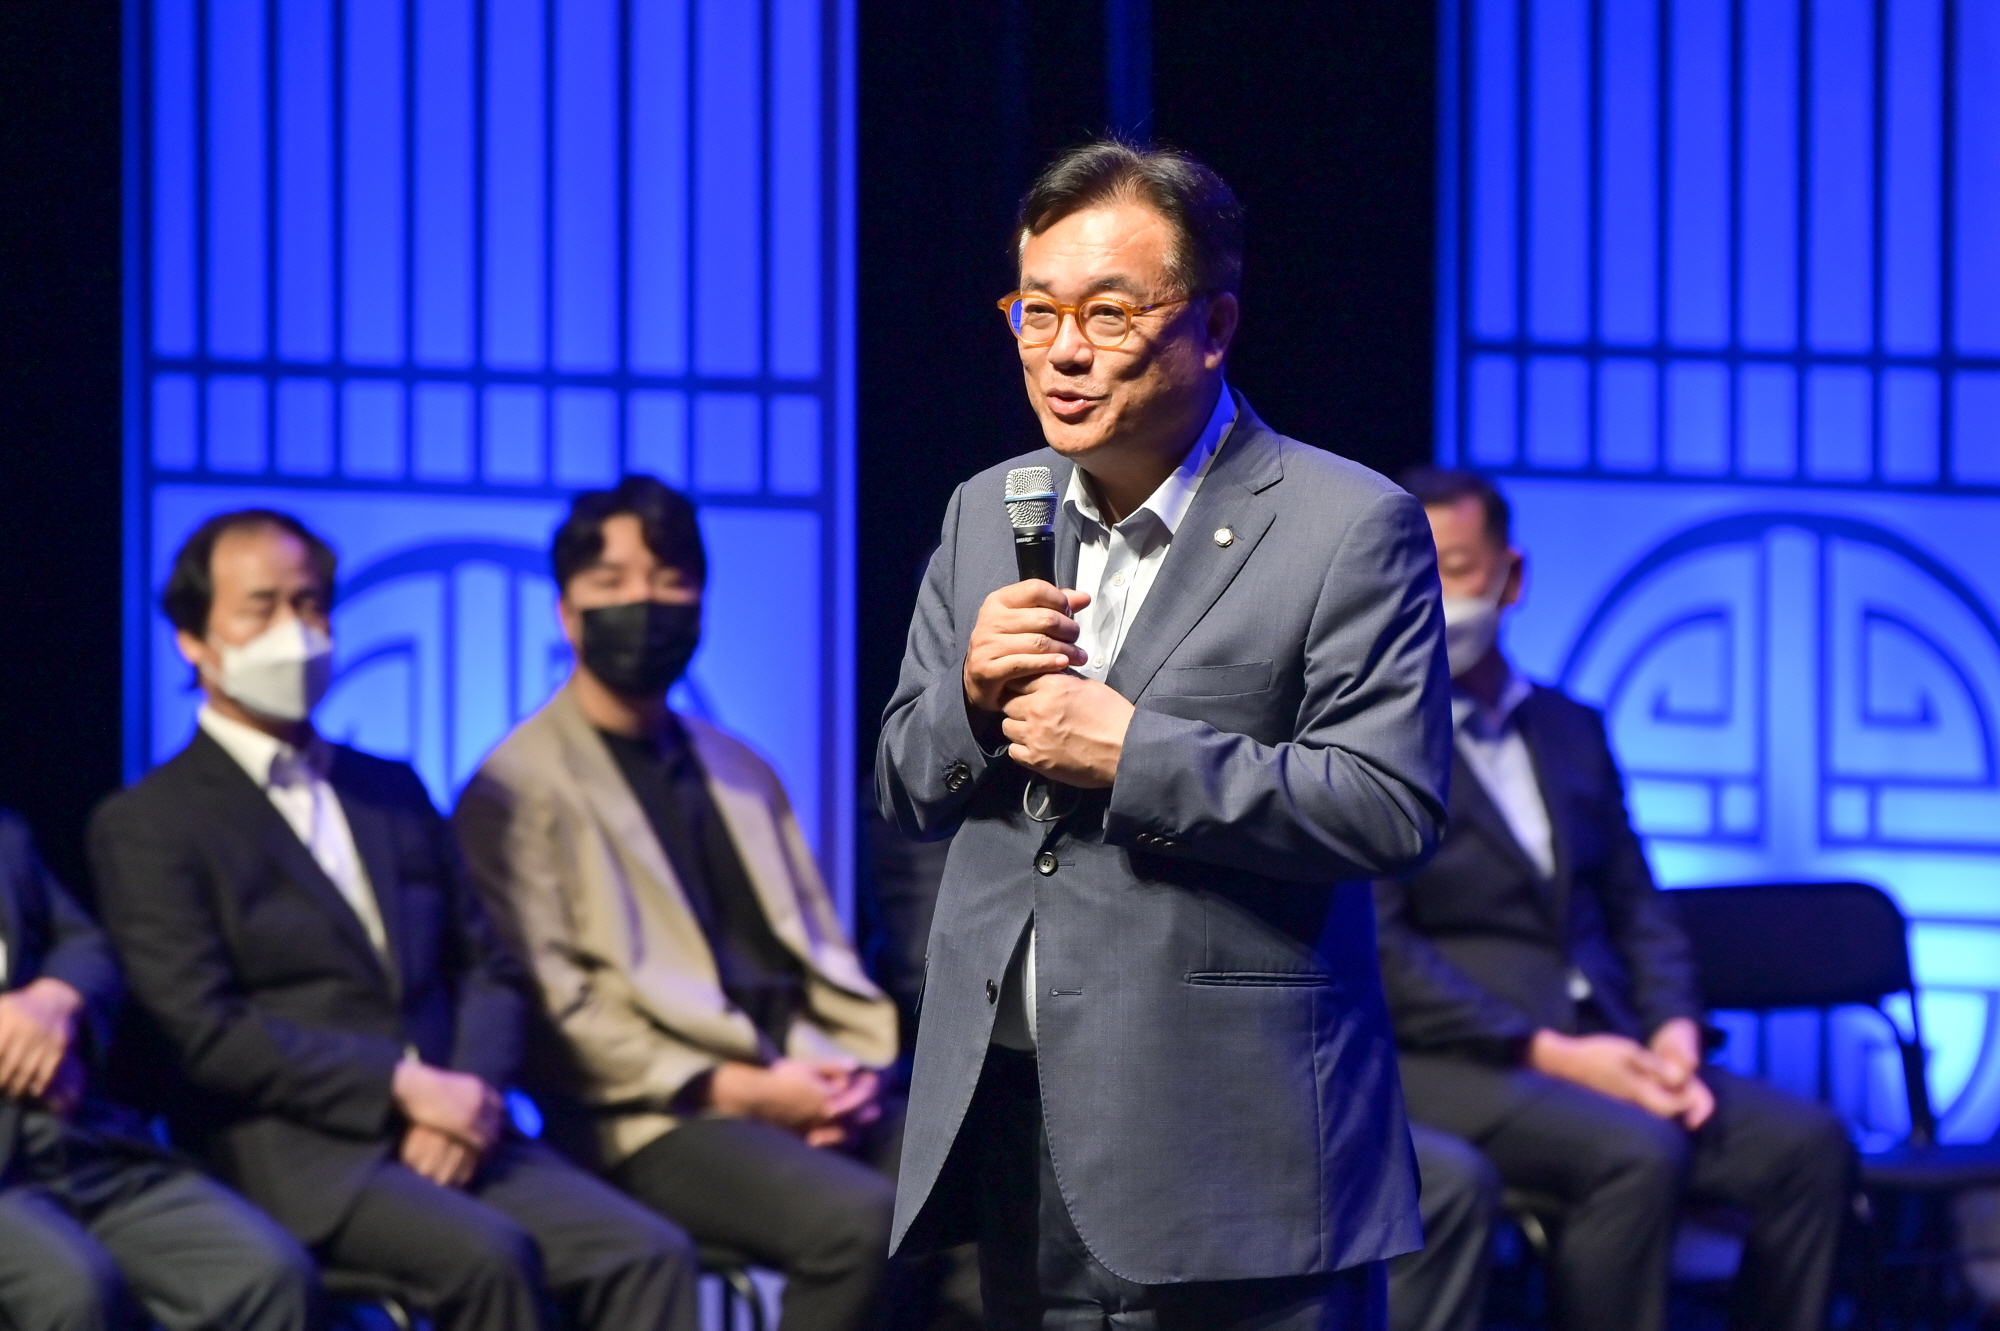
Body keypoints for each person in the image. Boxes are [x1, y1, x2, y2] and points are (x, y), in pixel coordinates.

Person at [877, 139, 1453, 1329]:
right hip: (1015, 1113)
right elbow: (900, 781)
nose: (1062, 350)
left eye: (1107, 312)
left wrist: (1133, 753)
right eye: (1035, 311)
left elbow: (1388, 804)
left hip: (1232, 1141)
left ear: (1212, 323)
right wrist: (969, 700)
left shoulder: (1347, 523)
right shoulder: (984, 508)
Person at [87, 509, 699, 1331]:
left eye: (310, 603)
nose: (294, 630)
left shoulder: (392, 789)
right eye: (261, 607)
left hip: (464, 1123)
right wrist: (401, 1088)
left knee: (647, 1251)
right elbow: (206, 1031)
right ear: (193, 640)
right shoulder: (150, 822)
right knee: (491, 1259)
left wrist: (470, 1096)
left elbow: (486, 966)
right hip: (302, 1151)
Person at [1376, 468, 1854, 1331]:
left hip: (1616, 1040)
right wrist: (1554, 1053)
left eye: (1456, 567)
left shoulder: (1572, 728)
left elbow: (1639, 906)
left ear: (1511, 577)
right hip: (1459, 1061)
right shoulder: (1376, 741)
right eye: (1413, 572)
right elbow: (1385, 950)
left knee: (1807, 1145)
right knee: (1637, 1152)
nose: (1436, 596)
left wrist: (1672, 1030)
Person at [453, 476, 901, 1331]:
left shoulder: (740, 765)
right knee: (859, 1223)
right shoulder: (514, 788)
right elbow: (560, 1014)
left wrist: (840, 1074)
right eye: (613, 582)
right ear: (567, 611)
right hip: (649, 1116)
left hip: (799, 1074)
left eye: (670, 580)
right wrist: (748, 1091)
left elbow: (817, 952)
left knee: (962, 1192)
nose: (646, 603)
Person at [0, 807, 318, 1331]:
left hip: (77, 1136)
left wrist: (54, 1001)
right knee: (73, 1294)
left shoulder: (7, 834)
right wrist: (18, 1046)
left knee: (268, 1274)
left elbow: (84, 945)